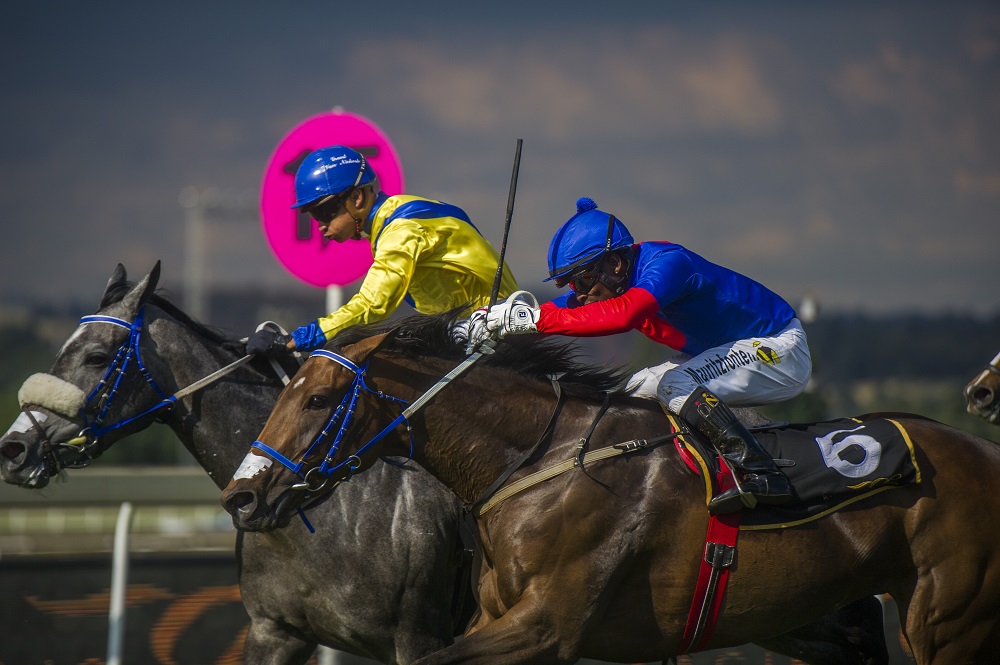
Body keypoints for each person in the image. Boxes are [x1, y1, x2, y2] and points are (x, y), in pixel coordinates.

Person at [474, 197, 812, 514]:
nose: (580, 294)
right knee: (632, 395)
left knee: (674, 384)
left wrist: (533, 321)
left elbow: (624, 315)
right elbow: (562, 310)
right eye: (572, 285)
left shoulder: (668, 264)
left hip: (779, 348)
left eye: (583, 281)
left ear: (615, 263)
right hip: (731, 351)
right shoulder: (618, 280)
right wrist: (490, 321)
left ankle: (763, 473)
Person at [247, 145, 519, 355]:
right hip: (473, 334)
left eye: (324, 212)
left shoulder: (401, 229)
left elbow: (372, 304)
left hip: (499, 341)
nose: (320, 226)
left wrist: (296, 340)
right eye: (313, 215)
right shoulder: (393, 219)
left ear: (357, 197)